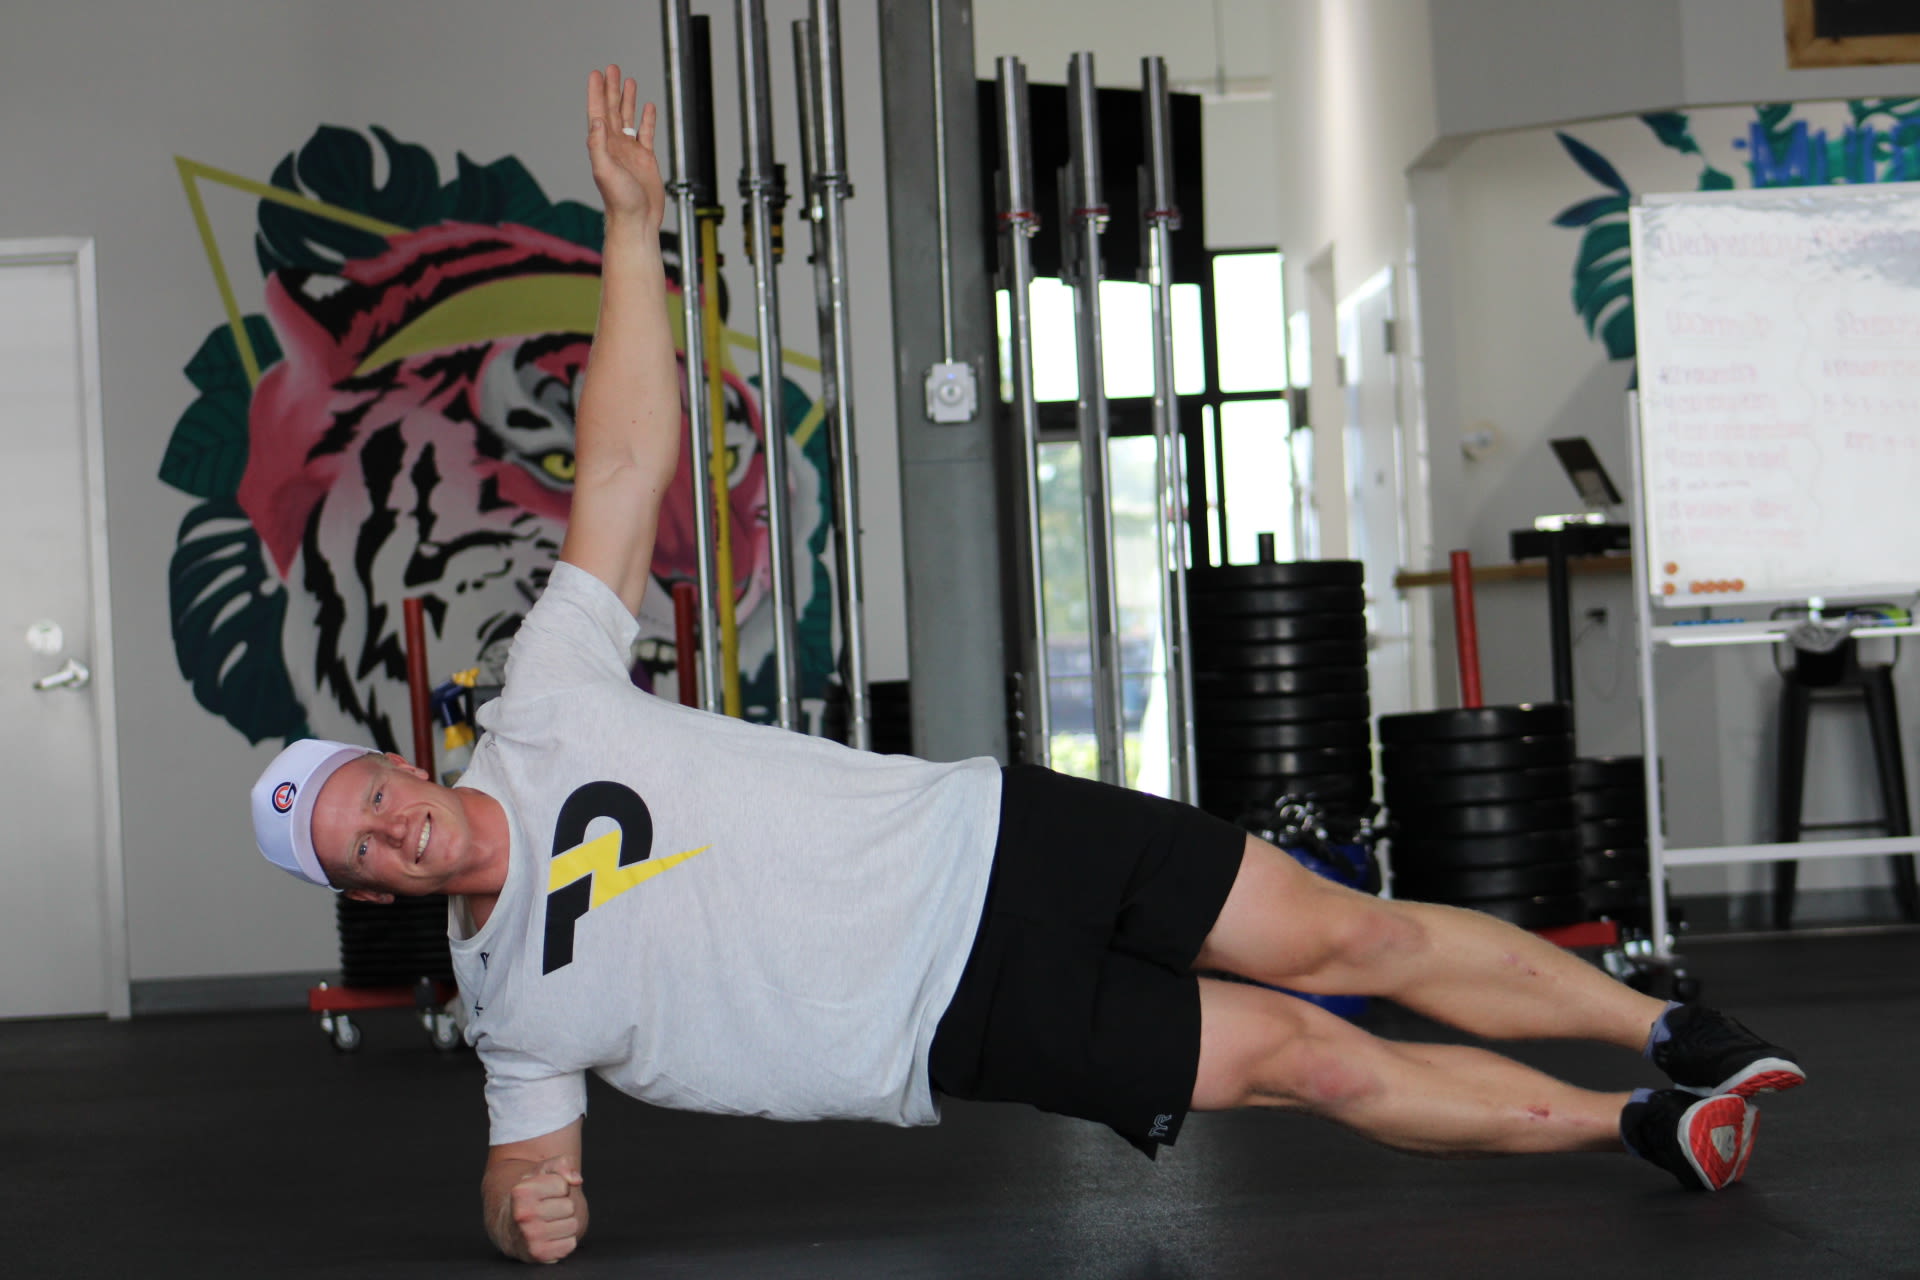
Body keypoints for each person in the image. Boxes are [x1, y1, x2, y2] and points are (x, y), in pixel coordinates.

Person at [249, 67, 1805, 1266]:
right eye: (360, 854)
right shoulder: (508, 998)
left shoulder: (542, 706)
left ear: (396, 764)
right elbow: (525, 1167)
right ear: (376, 890)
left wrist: (639, 230)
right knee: (1310, 1066)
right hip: (961, 1020)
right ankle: (1651, 1125)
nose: (389, 830)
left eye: (369, 797)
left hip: (999, 834)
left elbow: (622, 462)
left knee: (1349, 939)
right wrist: (523, 1214)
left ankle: (1662, 1028)